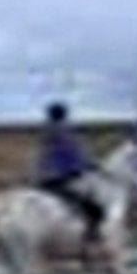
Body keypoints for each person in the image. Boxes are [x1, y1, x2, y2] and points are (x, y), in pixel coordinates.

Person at [36, 102, 106, 256]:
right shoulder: (63, 132)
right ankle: (90, 240)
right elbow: (73, 156)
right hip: (60, 178)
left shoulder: (47, 131)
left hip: (44, 178)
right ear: (64, 115)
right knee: (95, 209)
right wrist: (91, 165)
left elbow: (49, 156)